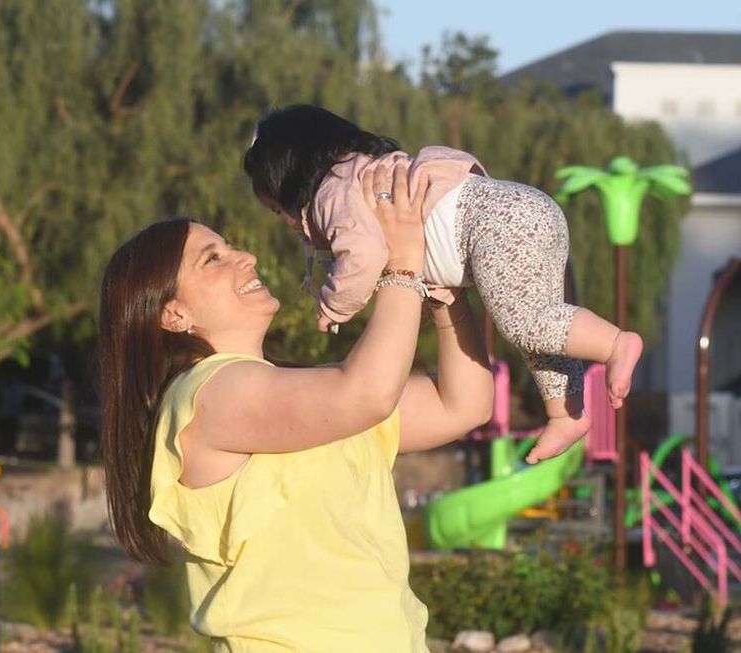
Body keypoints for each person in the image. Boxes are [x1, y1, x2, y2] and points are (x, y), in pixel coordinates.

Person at [99, 163, 493, 652]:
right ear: (173, 314)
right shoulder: (205, 395)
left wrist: (442, 288)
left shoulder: (306, 395)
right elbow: (367, 393)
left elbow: (463, 405)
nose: (245, 256)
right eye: (213, 259)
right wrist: (403, 264)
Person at [243, 104, 643, 464]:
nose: (288, 222)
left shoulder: (335, 193)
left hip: (493, 226)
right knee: (537, 330)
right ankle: (566, 411)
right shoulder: (375, 167)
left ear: (291, 182)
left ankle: (614, 344)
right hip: (522, 208)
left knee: (528, 322)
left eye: (279, 210)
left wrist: (335, 305)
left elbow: (361, 257)